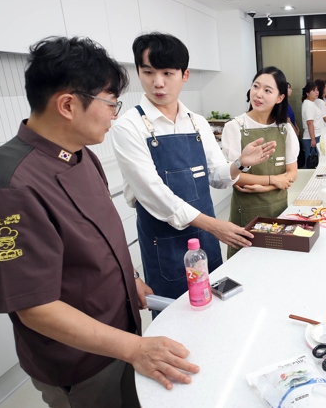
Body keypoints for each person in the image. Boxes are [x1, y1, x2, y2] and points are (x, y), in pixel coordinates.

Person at [0, 36, 200, 407]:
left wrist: (131, 278)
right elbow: (36, 308)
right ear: (67, 105)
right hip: (80, 363)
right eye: (110, 103)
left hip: (121, 334)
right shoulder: (5, 188)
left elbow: (100, 238)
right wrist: (134, 348)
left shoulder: (80, 155)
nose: (114, 115)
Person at [111, 33, 276, 304]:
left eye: (167, 73)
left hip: (205, 237)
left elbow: (216, 176)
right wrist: (214, 225)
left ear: (184, 75)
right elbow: (154, 194)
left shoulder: (197, 122)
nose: (158, 82)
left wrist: (239, 164)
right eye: (148, 72)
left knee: (215, 304)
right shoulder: (128, 126)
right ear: (138, 72)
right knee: (175, 314)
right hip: (165, 242)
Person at [222, 67, 298, 258]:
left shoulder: (285, 129)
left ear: (280, 98)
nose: (258, 94)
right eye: (256, 86)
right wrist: (274, 180)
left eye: (267, 90)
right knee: (244, 263)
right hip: (246, 214)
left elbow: (292, 173)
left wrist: (266, 186)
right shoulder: (235, 127)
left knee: (277, 263)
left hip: (279, 210)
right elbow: (234, 176)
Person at [301, 81, 324, 167]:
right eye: (313, 90)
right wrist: (313, 139)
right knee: (311, 162)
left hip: (314, 135)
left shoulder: (310, 103)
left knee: (313, 161)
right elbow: (310, 123)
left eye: (317, 90)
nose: (316, 92)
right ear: (307, 93)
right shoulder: (309, 105)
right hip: (312, 137)